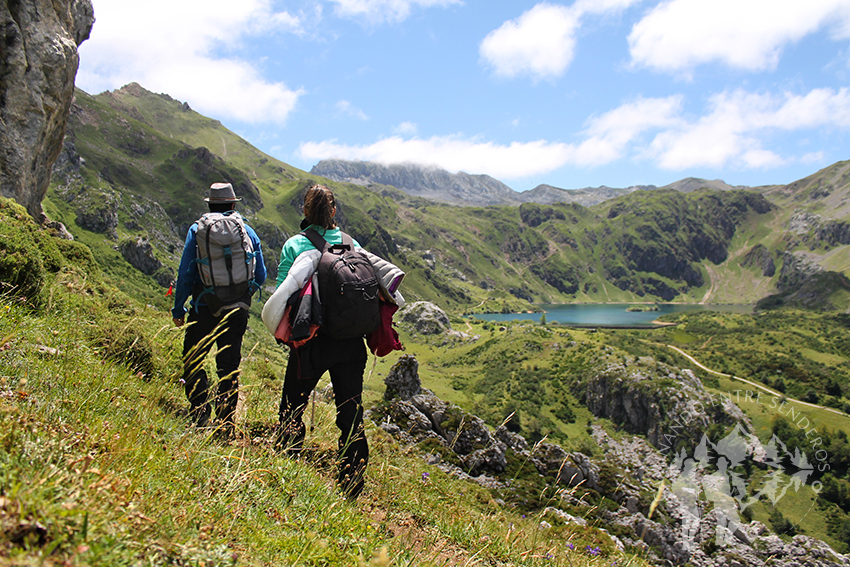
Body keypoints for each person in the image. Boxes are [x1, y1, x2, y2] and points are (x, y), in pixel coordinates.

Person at [273, 184, 377, 498]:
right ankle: (352, 481)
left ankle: (287, 466)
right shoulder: (352, 243)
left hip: (313, 343)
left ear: (305, 211)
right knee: (351, 411)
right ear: (333, 211)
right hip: (350, 342)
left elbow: (282, 294)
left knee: (293, 405)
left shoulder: (295, 245)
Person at [172, 182, 266, 434]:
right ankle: (225, 424)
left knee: (193, 357)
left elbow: (186, 272)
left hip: (204, 305)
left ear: (210, 204)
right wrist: (243, 293)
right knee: (228, 364)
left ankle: (200, 412)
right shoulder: (247, 230)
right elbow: (261, 273)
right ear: (233, 204)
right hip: (236, 309)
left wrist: (178, 308)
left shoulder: (197, 229)